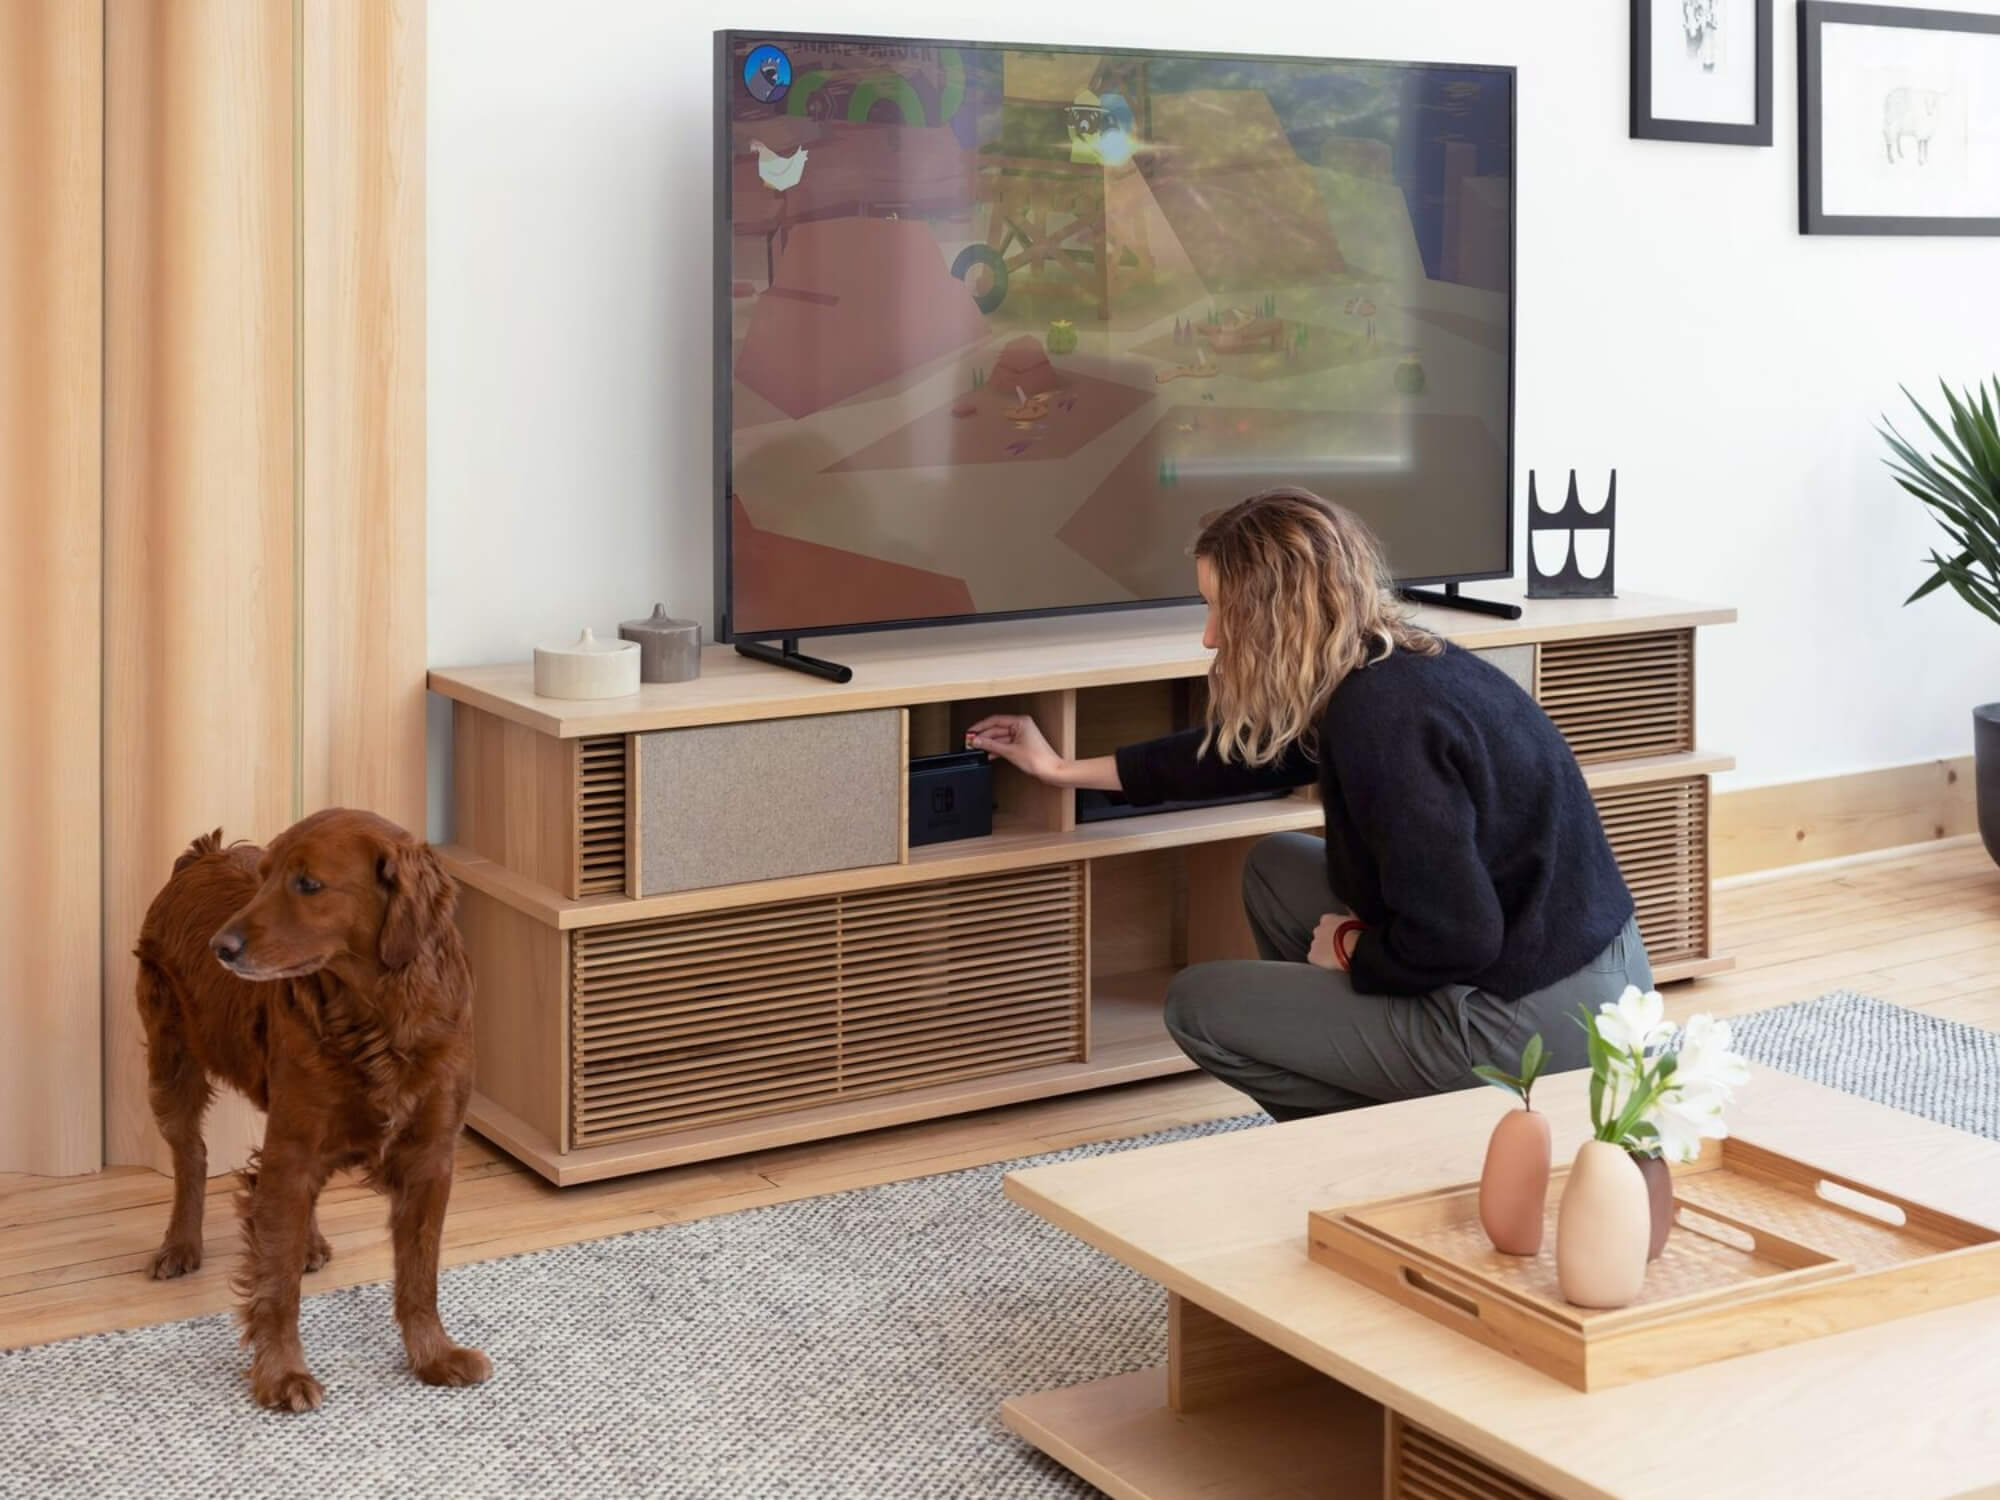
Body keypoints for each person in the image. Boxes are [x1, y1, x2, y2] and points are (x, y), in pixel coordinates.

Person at [967, 488, 1649, 1120]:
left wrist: (1355, 952)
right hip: (1588, 974)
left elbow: (1457, 935)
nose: (1209, 637)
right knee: (1276, 865)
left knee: (1198, 1003)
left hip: (1539, 1026)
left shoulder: (1384, 723)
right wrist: (1061, 769)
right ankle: (1386, 1083)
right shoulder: (1397, 663)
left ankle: (1364, 1157)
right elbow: (1250, 752)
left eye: (1219, 610)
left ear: (1275, 615)